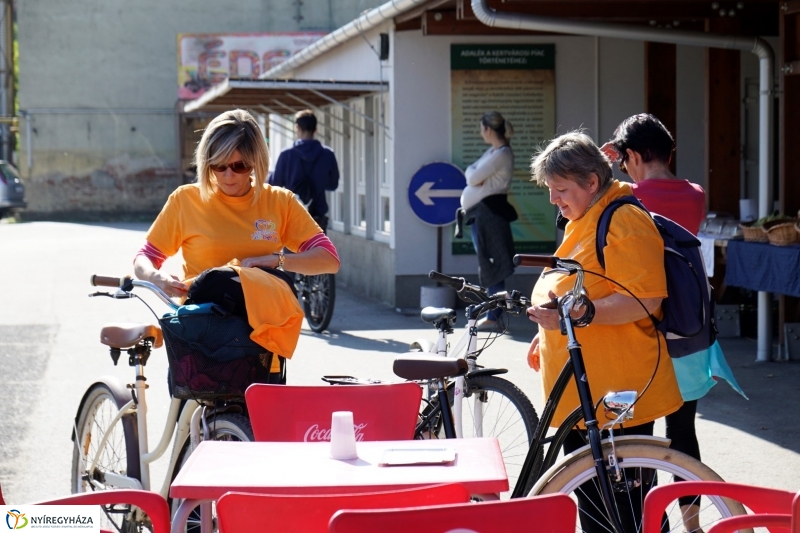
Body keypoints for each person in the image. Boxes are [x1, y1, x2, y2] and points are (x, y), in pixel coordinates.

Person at [527, 131, 683, 533]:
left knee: (626, 511)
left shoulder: (623, 219)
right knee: (597, 507)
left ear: (591, 182)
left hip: (618, 394)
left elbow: (645, 299)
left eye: (560, 189)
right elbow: (579, 285)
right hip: (589, 393)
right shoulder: (586, 217)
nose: (553, 199)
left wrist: (580, 314)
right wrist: (550, 329)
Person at [602, 113, 747, 533]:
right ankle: (693, 523)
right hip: (690, 325)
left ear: (629, 155)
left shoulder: (626, 195)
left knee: (642, 437)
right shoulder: (695, 194)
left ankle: (651, 523)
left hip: (644, 324)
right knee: (683, 431)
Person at [134, 108, 340, 383]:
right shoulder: (186, 200)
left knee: (259, 426)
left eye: (239, 166)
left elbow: (329, 259)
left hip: (260, 347)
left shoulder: (280, 202)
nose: (228, 175)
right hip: (200, 340)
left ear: (256, 162)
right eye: (218, 165)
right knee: (188, 424)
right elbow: (145, 257)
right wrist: (155, 276)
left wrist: (276, 261)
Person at [460, 111, 517, 331]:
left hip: (489, 214)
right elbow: (470, 173)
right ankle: (494, 313)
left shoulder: (501, 154)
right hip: (482, 212)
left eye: (481, 128)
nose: (480, 132)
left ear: (488, 129)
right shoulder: (493, 152)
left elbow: (472, 176)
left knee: (493, 262)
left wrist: (476, 180)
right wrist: (474, 179)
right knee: (489, 262)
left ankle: (495, 315)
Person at [269, 109, 340, 231]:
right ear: (315, 130)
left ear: (297, 128)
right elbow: (333, 185)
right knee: (317, 249)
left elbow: (275, 184)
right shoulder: (327, 154)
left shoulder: (287, 154)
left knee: (292, 250)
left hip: (293, 215)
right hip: (317, 217)